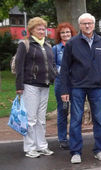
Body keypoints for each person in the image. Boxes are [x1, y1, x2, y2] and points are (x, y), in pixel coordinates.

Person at [60, 13, 101, 163]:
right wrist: (64, 90)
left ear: (94, 25)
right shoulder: (72, 43)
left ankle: (99, 150)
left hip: (96, 87)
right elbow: (64, 68)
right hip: (77, 86)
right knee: (76, 119)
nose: (87, 26)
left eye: (89, 23)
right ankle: (75, 152)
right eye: (84, 23)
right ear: (80, 26)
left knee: (99, 119)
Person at [15, 17, 56, 158]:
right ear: (32, 30)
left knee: (41, 118)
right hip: (30, 85)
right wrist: (19, 85)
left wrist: (54, 76)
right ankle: (30, 148)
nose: (42, 31)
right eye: (39, 28)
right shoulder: (25, 44)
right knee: (31, 119)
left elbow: (51, 65)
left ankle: (42, 146)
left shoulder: (48, 45)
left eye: (43, 28)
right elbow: (19, 66)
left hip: (44, 85)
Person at [53, 22, 77, 150]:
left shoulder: (77, 46)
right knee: (63, 110)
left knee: (76, 111)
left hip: (76, 83)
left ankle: (74, 137)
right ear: (59, 35)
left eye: (68, 32)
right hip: (61, 83)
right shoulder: (56, 49)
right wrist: (65, 70)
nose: (65, 34)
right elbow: (53, 66)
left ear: (72, 33)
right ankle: (62, 138)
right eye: (63, 32)